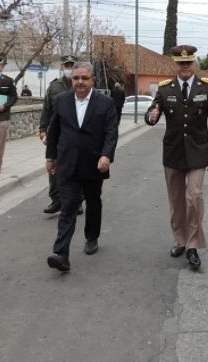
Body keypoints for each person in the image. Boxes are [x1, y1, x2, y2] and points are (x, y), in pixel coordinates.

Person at [145, 45, 208, 271]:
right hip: (173, 152)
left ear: (193, 63)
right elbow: (152, 112)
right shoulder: (165, 89)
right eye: (181, 63)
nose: (185, 66)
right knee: (177, 200)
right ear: (175, 65)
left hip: (198, 151)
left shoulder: (206, 87)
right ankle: (180, 240)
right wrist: (152, 116)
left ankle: (193, 245)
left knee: (194, 196)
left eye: (188, 62)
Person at [45, 61, 118, 272]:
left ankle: (92, 236)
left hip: (94, 163)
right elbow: (53, 131)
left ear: (93, 80)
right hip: (67, 163)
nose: (79, 82)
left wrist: (106, 155)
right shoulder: (61, 100)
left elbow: (111, 132)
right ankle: (61, 253)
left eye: (84, 78)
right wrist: (50, 157)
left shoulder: (105, 103)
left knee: (93, 202)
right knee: (68, 206)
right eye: (76, 78)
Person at [39, 56, 84, 215]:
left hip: (76, 133)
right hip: (57, 132)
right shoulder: (54, 86)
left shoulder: (81, 84)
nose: (69, 68)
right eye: (67, 65)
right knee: (54, 167)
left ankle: (77, 200)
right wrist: (43, 129)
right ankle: (56, 200)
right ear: (62, 67)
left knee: (77, 167)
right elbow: (46, 109)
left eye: (72, 65)